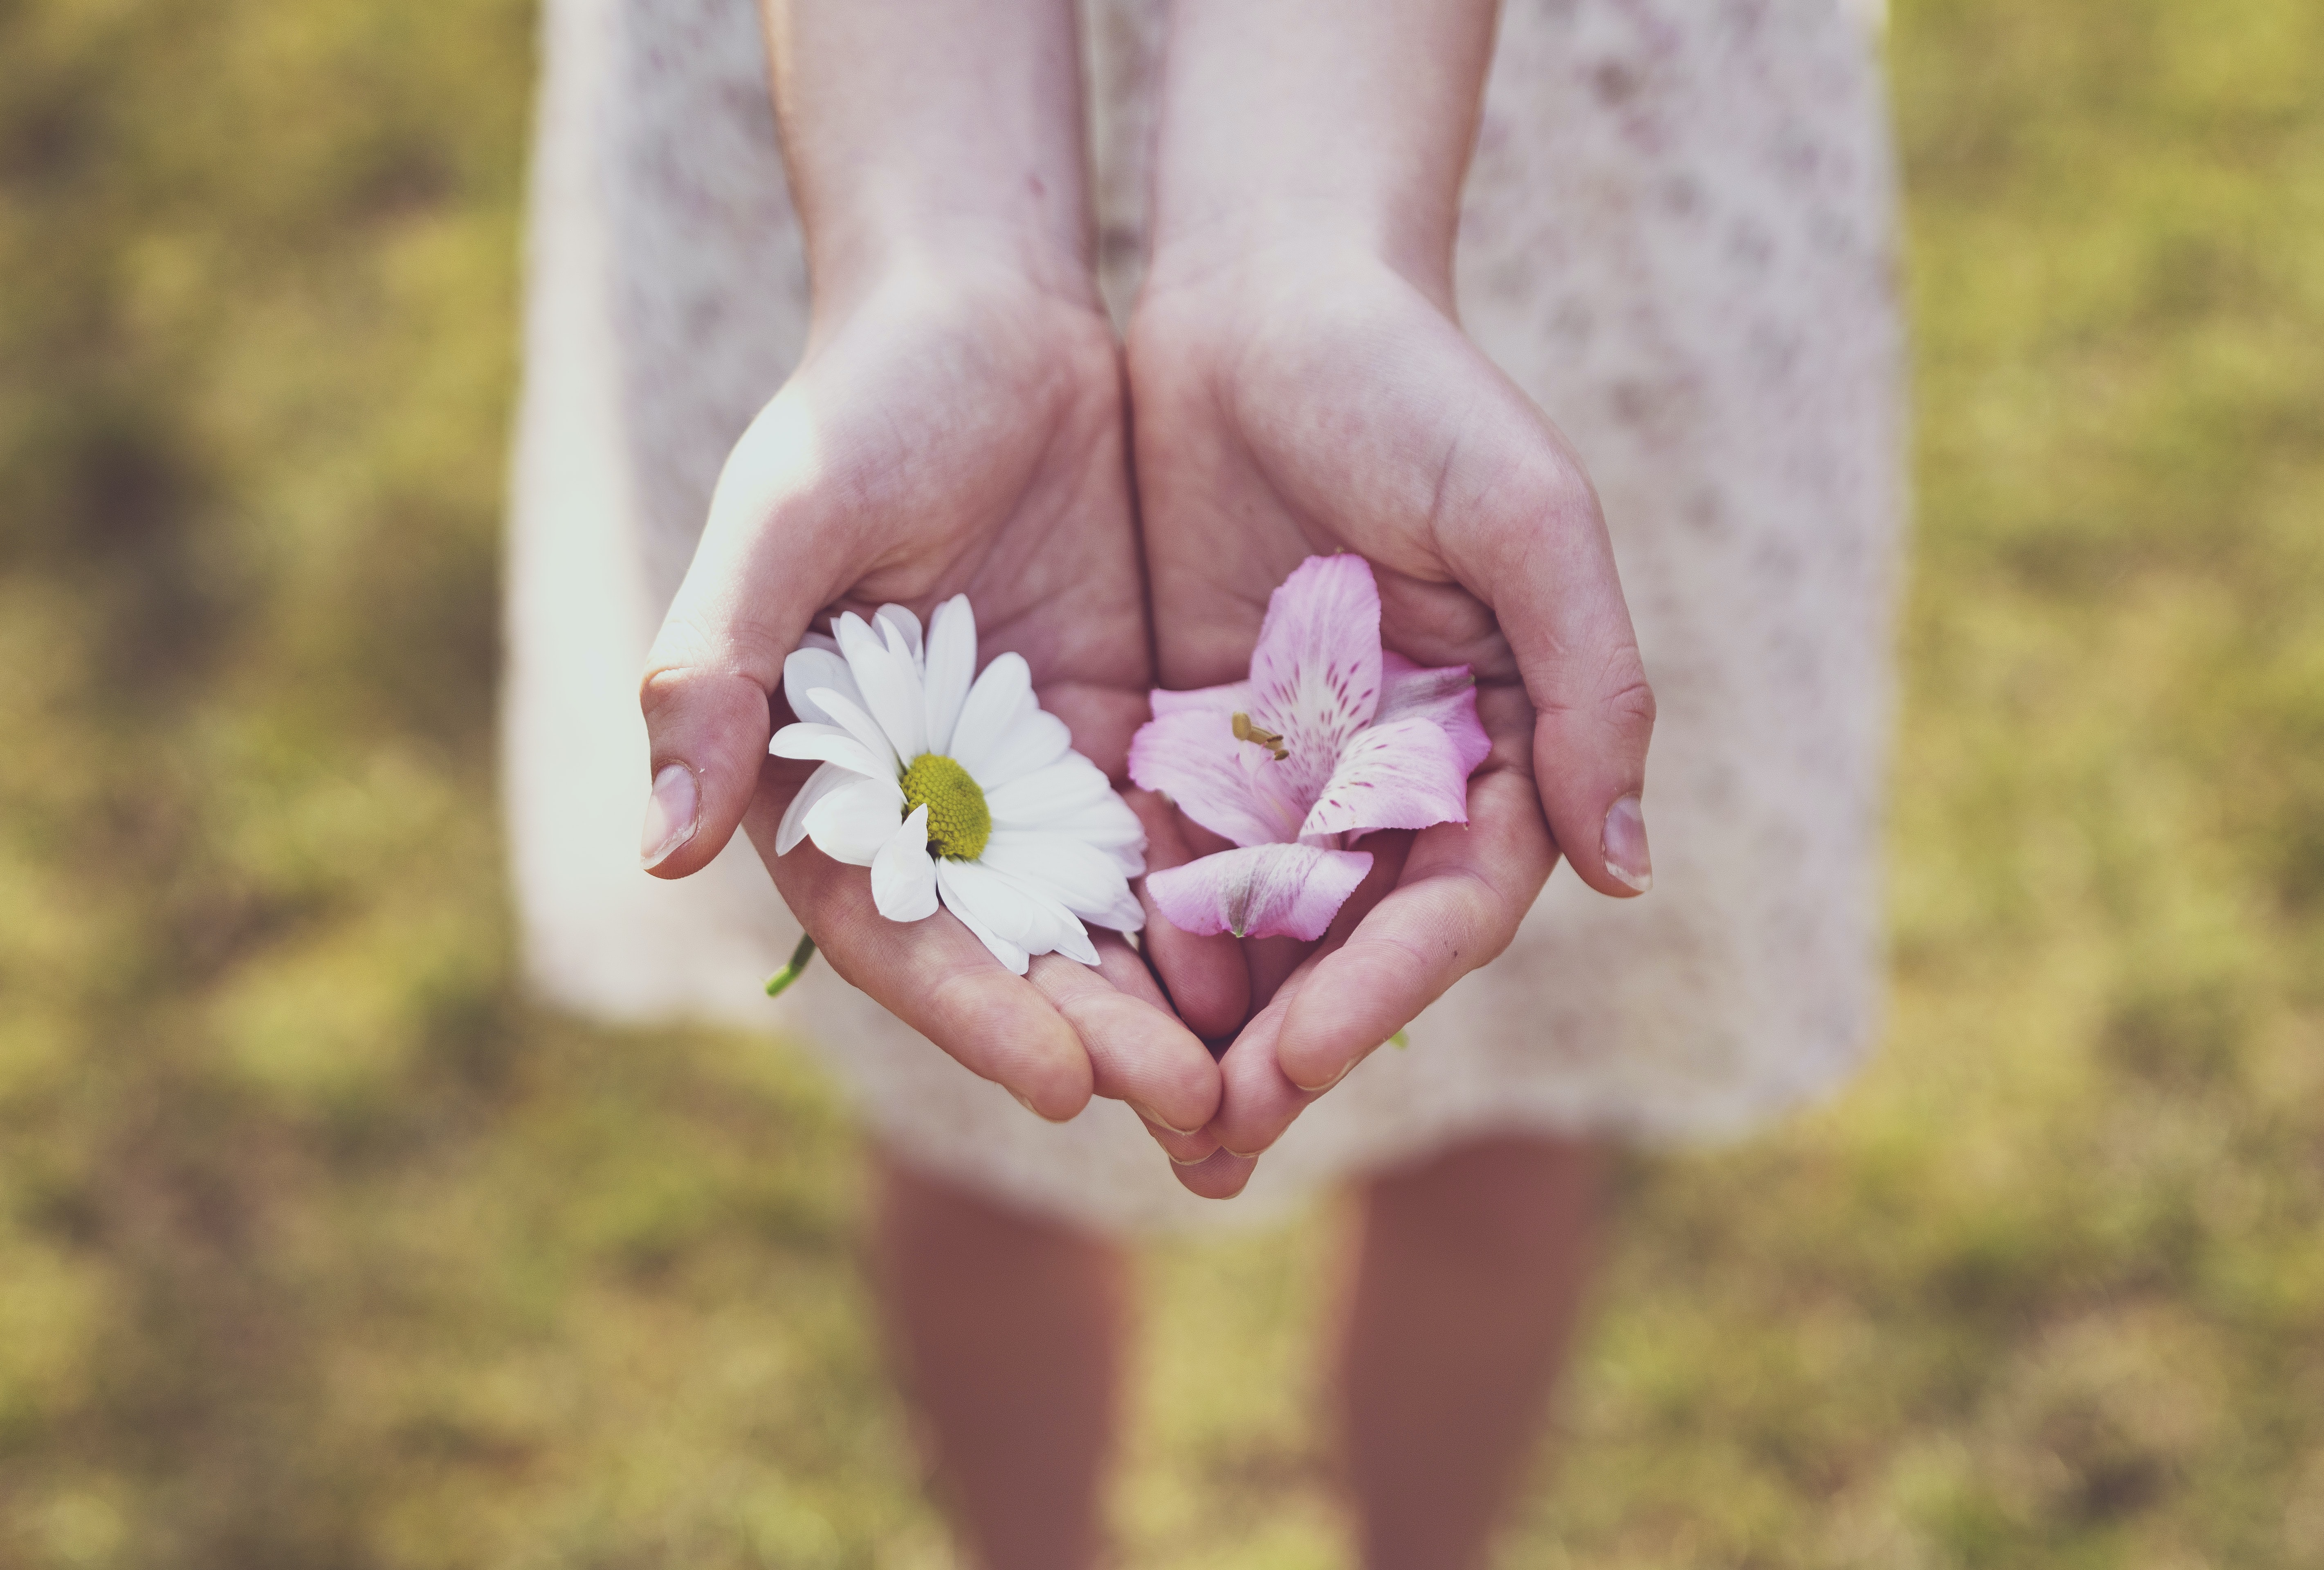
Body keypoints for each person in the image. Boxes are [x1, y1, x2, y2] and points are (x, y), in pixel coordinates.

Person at [504, 0, 1903, 1563]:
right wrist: (934, 257)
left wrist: (1303, 253)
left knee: (1506, 1102)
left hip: (1529, 136)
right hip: (867, 87)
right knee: (970, 1121)